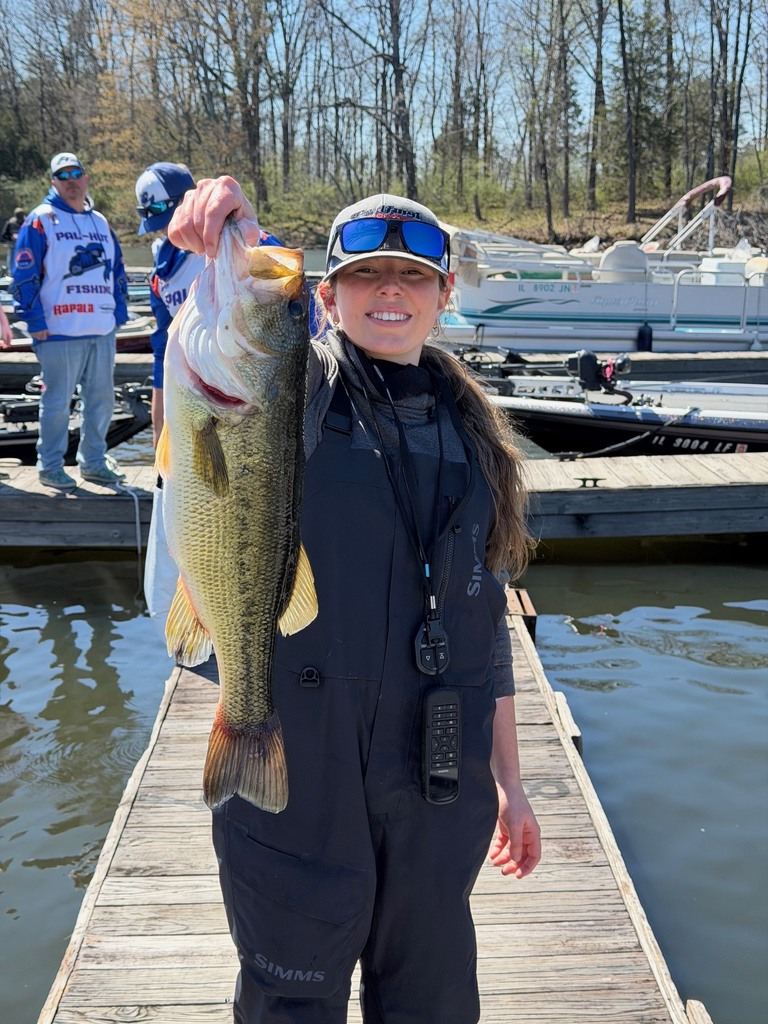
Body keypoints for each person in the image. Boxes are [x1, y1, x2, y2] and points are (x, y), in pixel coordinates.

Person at [169, 177, 542, 1024]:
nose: (389, 292)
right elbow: (238, 339)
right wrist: (228, 228)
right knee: (292, 991)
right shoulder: (291, 391)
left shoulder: (476, 433)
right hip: (303, 755)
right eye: (367, 275)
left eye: (412, 277)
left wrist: (513, 785)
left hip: (435, 772)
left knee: (431, 998)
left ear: (445, 295)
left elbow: (486, 625)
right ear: (329, 297)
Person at [135, 162, 287, 621]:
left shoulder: (239, 252)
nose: (163, 230)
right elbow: (165, 364)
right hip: (188, 441)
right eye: (154, 222)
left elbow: (281, 296)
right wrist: (164, 460)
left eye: (167, 214)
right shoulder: (160, 272)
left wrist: (243, 226)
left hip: (235, 426)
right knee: (166, 593)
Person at [11, 152, 128, 490]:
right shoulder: (40, 220)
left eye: (76, 173)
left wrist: (118, 314)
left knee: (102, 400)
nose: (71, 180)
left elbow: (117, 271)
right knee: (57, 404)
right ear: (53, 182)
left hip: (101, 329)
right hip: (58, 331)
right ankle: (49, 466)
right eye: (63, 176)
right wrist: (34, 320)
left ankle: (92, 462)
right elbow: (23, 274)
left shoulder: (101, 222)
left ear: (86, 178)